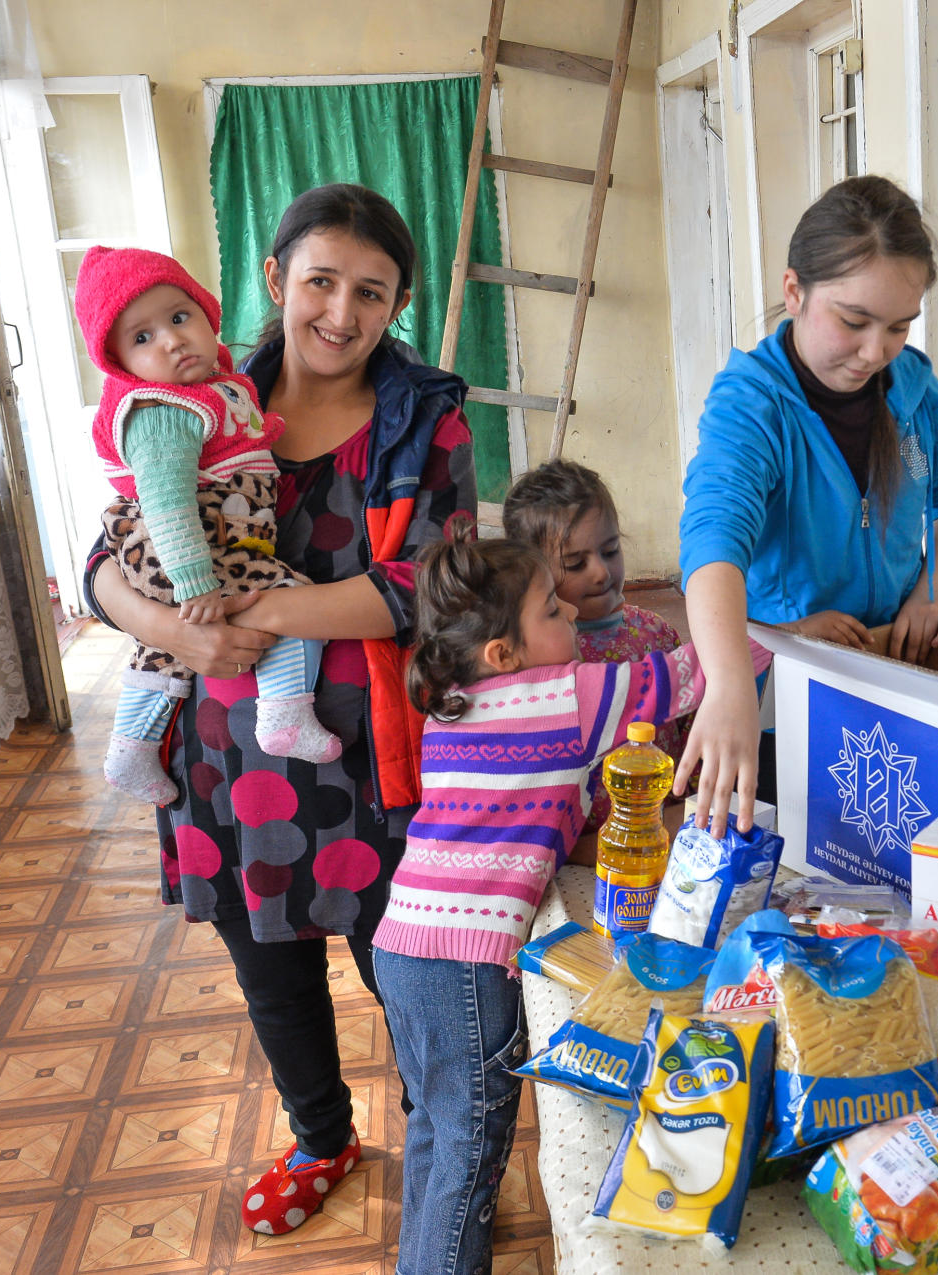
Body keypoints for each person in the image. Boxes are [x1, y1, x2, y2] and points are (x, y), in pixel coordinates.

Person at [82, 184, 478, 1236]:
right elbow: (106, 559)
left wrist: (260, 608)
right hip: (226, 764)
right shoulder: (190, 389)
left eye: (371, 292)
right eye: (319, 282)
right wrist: (179, 635)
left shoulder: (423, 420)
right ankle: (321, 1135)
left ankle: (438, 1132)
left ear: (398, 304)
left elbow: (428, 588)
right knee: (271, 969)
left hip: (370, 762)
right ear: (273, 280)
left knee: (401, 968)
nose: (341, 314)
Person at [373, 526, 770, 1275]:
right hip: (465, 963)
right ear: (504, 653)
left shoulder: (451, 706)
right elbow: (692, 675)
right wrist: (787, 634)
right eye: (552, 611)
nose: (574, 620)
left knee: (433, 1131)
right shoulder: (562, 696)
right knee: (471, 1156)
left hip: (400, 945)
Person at [674, 175, 938, 833]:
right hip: (780, 688)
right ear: (795, 292)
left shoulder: (914, 389)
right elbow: (713, 541)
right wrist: (730, 682)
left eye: (900, 326)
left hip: (890, 666)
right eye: (853, 321)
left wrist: (935, 586)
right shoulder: (751, 407)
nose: (877, 352)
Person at [73, 246, 341, 806]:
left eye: (179, 317)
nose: (171, 340)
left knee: (165, 650)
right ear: (117, 360)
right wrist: (197, 584)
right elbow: (168, 502)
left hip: (196, 544)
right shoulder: (164, 411)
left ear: (205, 311)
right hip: (187, 549)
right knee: (291, 596)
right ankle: (285, 714)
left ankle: (129, 749)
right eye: (142, 338)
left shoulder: (215, 386)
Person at [502, 458, 687, 829]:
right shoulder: (536, 659)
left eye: (611, 550)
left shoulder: (656, 633)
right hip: (571, 846)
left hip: (661, 831)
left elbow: (689, 729)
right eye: (575, 563)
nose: (601, 572)